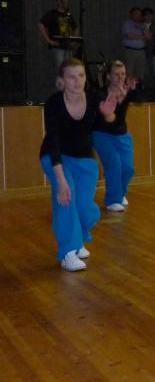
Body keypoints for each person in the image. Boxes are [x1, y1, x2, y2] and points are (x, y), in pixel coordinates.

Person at [40, 59, 117, 271]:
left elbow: (109, 122)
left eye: (81, 75)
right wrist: (60, 180)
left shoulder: (93, 98)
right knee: (66, 198)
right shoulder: (54, 103)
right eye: (71, 77)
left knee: (86, 209)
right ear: (62, 81)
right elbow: (53, 140)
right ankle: (68, 252)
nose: (77, 81)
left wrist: (109, 115)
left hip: (84, 159)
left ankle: (79, 238)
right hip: (55, 158)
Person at [92, 61, 139, 212]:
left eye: (123, 74)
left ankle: (119, 194)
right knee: (114, 165)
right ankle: (112, 200)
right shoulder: (100, 94)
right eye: (116, 74)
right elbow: (109, 119)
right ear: (108, 76)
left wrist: (132, 91)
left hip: (122, 134)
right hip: (102, 133)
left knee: (128, 168)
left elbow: (140, 99)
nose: (120, 78)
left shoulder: (126, 91)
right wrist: (118, 101)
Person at [38, 0, 79, 75]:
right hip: (57, 46)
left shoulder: (68, 15)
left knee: (68, 69)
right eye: (64, 1)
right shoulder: (52, 14)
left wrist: (73, 40)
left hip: (67, 46)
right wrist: (49, 40)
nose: (66, 3)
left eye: (66, 2)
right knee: (60, 69)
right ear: (58, 2)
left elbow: (76, 27)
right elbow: (40, 24)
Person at [122, 7, 151, 81]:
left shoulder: (143, 25)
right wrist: (142, 37)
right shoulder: (127, 23)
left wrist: (143, 28)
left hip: (141, 51)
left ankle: (139, 86)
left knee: (140, 73)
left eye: (139, 14)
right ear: (131, 15)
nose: (138, 16)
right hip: (130, 51)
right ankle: (129, 87)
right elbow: (130, 36)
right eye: (136, 14)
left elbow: (148, 37)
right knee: (129, 72)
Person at [142, 7, 155, 77]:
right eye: (146, 15)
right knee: (141, 70)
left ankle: (153, 82)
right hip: (141, 50)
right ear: (143, 16)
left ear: (153, 15)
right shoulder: (140, 24)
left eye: (150, 14)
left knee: (154, 70)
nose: (148, 16)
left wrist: (152, 38)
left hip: (153, 50)